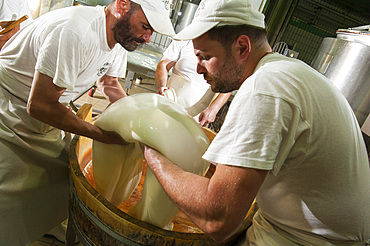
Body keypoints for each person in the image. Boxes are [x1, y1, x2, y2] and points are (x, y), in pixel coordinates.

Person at [141, 0, 370, 245]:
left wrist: (151, 154)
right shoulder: (288, 72)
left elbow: (216, 219)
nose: (198, 69)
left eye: (205, 57)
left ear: (242, 47)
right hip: (294, 227)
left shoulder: (264, 90)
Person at [0, 0, 174, 244]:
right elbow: (39, 105)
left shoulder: (118, 38)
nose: (147, 37)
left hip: (44, 111)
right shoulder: (75, 32)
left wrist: (139, 121)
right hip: (10, 111)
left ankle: (42, 225)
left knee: (58, 180)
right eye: (144, 26)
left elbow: (109, 83)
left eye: (152, 31)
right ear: (122, 5)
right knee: (10, 189)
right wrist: (101, 135)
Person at [155, 39, 231, 126]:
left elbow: (228, 84)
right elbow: (163, 64)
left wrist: (214, 108)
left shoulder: (225, 49)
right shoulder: (184, 39)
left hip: (197, 117)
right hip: (167, 105)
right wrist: (161, 85)